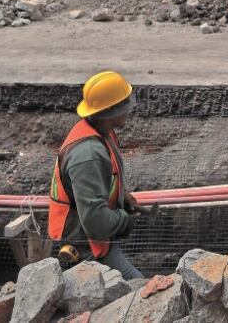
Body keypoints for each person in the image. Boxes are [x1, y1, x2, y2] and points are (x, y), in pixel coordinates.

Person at [48, 71, 154, 278]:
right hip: (87, 247)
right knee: (137, 291)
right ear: (112, 111)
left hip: (95, 240)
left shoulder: (97, 132)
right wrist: (125, 220)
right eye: (125, 105)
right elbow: (96, 222)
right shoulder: (88, 154)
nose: (129, 110)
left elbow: (98, 181)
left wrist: (121, 196)